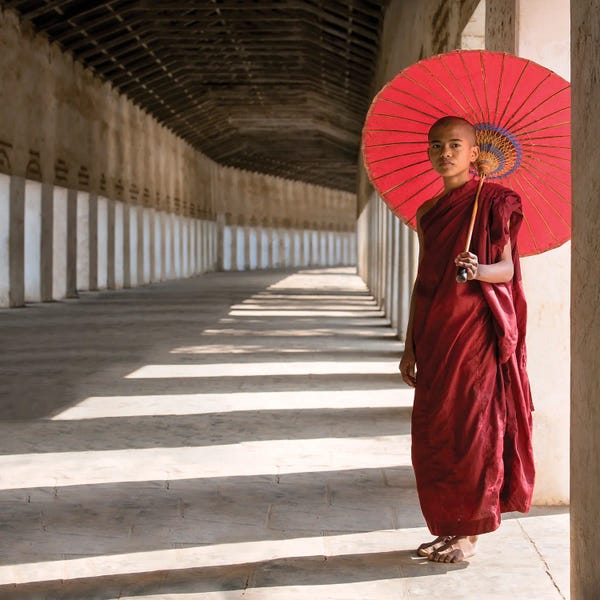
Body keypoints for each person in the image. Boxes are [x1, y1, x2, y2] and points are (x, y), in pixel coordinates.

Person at [399, 116, 535, 563]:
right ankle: (449, 524)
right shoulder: (427, 212)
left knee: (472, 431)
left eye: (455, 145)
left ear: (474, 152)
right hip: (435, 335)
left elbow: (507, 270)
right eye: (436, 146)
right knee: (435, 434)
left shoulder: (495, 201)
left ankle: (469, 534)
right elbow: (423, 281)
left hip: (473, 334)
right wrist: (409, 345)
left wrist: (477, 269)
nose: (445, 153)